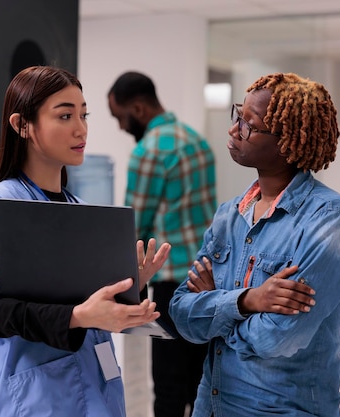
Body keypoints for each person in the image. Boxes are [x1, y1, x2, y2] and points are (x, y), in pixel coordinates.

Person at [0, 65, 171, 417]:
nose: (81, 129)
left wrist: (128, 288)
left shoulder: (81, 211)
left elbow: (84, 301)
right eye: (65, 115)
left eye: (84, 115)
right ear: (21, 125)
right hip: (38, 397)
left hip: (98, 389)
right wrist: (79, 315)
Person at [169, 72, 340, 417]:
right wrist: (249, 301)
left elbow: (276, 338)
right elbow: (183, 315)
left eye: (250, 124)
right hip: (211, 405)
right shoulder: (229, 214)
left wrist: (214, 306)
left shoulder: (329, 219)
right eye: (237, 116)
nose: (234, 130)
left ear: (287, 141)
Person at [108, 71, 217, 417]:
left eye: (120, 117)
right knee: (202, 381)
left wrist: (123, 288)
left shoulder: (148, 151)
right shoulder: (197, 140)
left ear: (138, 108)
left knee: (169, 387)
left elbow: (133, 227)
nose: (121, 127)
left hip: (172, 288)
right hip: (208, 280)